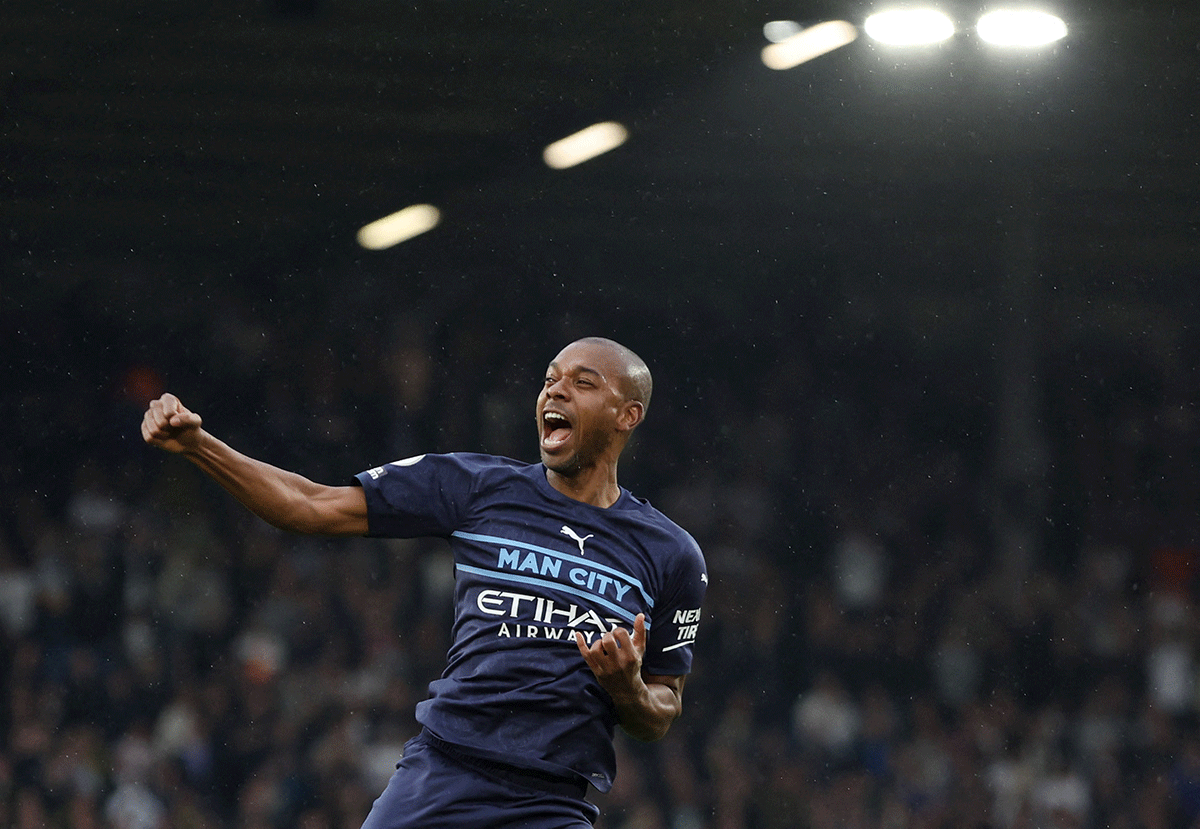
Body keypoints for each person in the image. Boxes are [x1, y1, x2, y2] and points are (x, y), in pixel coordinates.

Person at [141, 336, 708, 829]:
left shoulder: (672, 554)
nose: (554, 392)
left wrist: (627, 688)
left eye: (582, 383)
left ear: (627, 415)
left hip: (551, 802)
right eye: (549, 380)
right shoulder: (476, 486)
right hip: (443, 774)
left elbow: (660, 711)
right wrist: (199, 446)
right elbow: (309, 505)